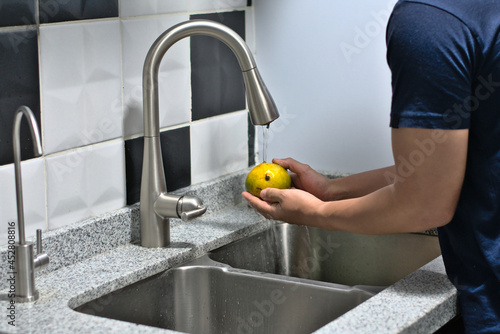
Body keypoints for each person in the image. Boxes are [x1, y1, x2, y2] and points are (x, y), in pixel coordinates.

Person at [242, 0, 500, 333]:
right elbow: (446, 167)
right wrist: (332, 191)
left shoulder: (429, 21)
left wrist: (315, 213)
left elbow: (423, 204)